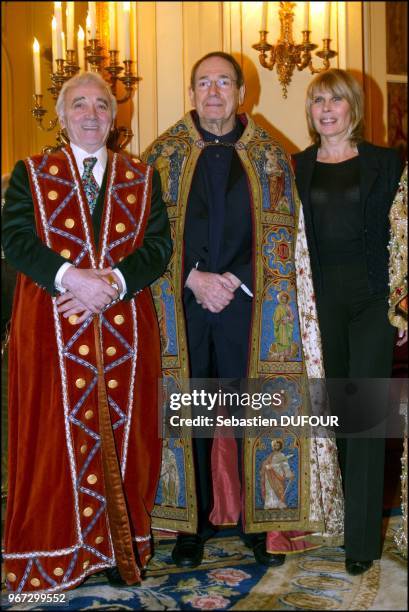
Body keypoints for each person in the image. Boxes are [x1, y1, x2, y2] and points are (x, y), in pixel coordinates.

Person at [142, 51, 344, 569]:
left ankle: (262, 524)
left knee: (254, 412)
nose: (214, 92)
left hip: (248, 307)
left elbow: (285, 237)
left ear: (241, 94)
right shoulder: (159, 157)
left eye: (224, 82)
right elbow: (146, 236)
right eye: (204, 82)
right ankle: (194, 525)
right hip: (182, 305)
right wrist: (192, 278)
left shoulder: (272, 156)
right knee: (189, 414)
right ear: (191, 93)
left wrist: (233, 279)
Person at [1, 71, 171, 593]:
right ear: (61, 115)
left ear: (114, 117)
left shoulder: (141, 176)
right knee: (52, 439)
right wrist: (69, 277)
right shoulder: (30, 173)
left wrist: (114, 283)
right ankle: (58, 553)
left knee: (126, 439)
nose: (91, 113)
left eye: (101, 105)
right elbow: (14, 238)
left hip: (125, 329)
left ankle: (115, 550)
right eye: (79, 105)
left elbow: (159, 246)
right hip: (53, 326)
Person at [293, 68, 404, 575]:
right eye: (318, 100)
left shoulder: (387, 163)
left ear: (352, 107)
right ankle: (334, 518)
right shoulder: (296, 167)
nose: (326, 109)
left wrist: (405, 301)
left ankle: (361, 543)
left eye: (335, 99)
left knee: (365, 415)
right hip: (317, 305)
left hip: (373, 304)